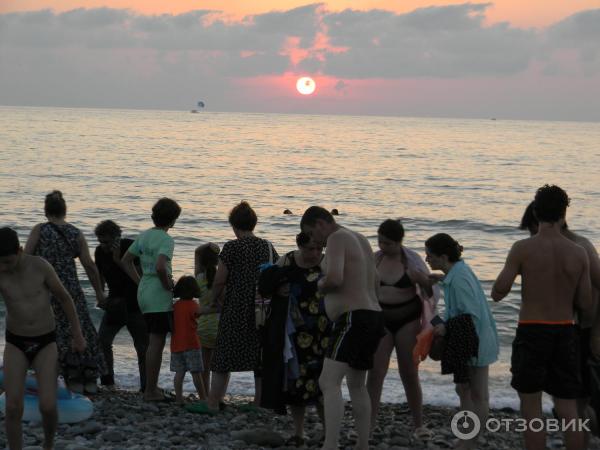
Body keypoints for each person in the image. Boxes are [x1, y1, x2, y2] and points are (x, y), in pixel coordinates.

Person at [493, 185, 593, 450]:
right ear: (563, 214)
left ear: (535, 212)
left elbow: (498, 292)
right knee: (568, 409)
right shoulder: (578, 252)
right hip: (566, 331)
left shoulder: (522, 248)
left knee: (532, 409)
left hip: (531, 330)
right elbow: (585, 302)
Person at [300, 206, 384, 450]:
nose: (315, 241)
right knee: (357, 384)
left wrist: (320, 285)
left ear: (320, 224)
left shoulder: (336, 238)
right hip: (373, 315)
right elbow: (376, 280)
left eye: (312, 234)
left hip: (352, 318)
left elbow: (335, 279)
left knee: (329, 382)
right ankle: (362, 444)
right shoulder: (359, 238)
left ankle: (331, 444)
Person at [520, 199, 600, 443]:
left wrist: (596, 336)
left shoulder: (581, 247)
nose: (533, 236)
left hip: (582, 334)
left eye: (532, 230)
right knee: (570, 402)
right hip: (566, 333)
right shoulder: (569, 248)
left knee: (575, 404)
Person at [0, 227, 86, 450]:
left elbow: (65, 299)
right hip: (15, 342)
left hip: (45, 342)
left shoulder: (40, 266)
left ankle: (48, 445)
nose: (3, 267)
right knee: (12, 406)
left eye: (7, 262)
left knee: (48, 405)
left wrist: (77, 334)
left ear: (19, 251)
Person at [24, 190, 106, 394]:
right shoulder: (75, 233)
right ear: (65, 210)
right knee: (79, 328)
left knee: (53, 332)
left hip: (45, 288)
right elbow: (89, 265)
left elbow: (25, 258)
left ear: (46, 211)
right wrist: (99, 293)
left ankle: (61, 374)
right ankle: (88, 377)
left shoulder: (39, 230)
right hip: (71, 289)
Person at [425, 233, 499, 450]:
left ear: (444, 256)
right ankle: (467, 435)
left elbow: (471, 314)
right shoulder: (455, 272)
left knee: (479, 395)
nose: (427, 259)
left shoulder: (459, 278)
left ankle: (470, 441)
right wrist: (439, 279)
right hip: (467, 339)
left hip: (475, 341)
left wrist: (445, 327)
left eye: (430, 255)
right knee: (462, 388)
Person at [366, 219, 437, 441]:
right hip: (382, 317)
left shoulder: (412, 261)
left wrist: (423, 281)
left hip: (407, 318)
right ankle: (368, 424)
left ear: (398, 242)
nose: (382, 246)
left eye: (387, 243)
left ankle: (418, 424)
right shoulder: (375, 259)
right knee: (376, 372)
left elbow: (431, 293)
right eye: (379, 241)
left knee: (409, 372)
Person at [206, 201, 279, 412]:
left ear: (234, 225)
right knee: (259, 356)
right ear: (253, 223)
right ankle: (259, 402)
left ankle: (214, 401)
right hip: (261, 309)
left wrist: (212, 299)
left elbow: (220, 280)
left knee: (223, 356)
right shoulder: (267, 246)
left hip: (235, 307)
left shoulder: (231, 247)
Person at [261, 232, 331, 446]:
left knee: (324, 383)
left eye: (319, 248)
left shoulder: (327, 262)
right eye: (311, 248)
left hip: (323, 331)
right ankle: (299, 431)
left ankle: (329, 429)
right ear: (300, 246)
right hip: (294, 333)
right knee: (296, 382)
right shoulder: (288, 260)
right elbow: (266, 285)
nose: (315, 253)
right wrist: (279, 288)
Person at [121, 197, 181, 402]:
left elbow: (126, 261)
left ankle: (150, 387)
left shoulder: (144, 236)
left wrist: (140, 282)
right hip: (157, 293)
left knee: (152, 341)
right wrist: (167, 285)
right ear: (173, 221)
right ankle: (150, 390)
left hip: (144, 291)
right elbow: (160, 266)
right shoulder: (166, 240)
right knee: (156, 342)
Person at [94, 220, 149, 392]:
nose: (103, 246)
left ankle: (146, 386)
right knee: (102, 341)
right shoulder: (99, 252)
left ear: (117, 238)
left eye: (107, 242)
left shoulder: (131, 246)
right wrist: (100, 294)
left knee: (142, 347)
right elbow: (99, 275)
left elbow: (141, 275)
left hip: (135, 304)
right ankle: (108, 382)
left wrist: (120, 260)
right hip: (115, 303)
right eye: (100, 241)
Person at [171, 275, 207, 404]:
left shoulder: (175, 307)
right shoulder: (193, 305)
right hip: (192, 344)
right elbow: (200, 313)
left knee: (179, 372)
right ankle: (203, 398)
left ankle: (179, 398)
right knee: (196, 372)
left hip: (176, 345)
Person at [194, 243, 221, 395]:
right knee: (220, 366)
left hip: (203, 327)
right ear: (217, 262)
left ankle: (204, 396)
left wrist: (209, 245)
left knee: (205, 365)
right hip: (219, 326)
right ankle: (218, 396)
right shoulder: (222, 279)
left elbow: (197, 252)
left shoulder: (198, 278)